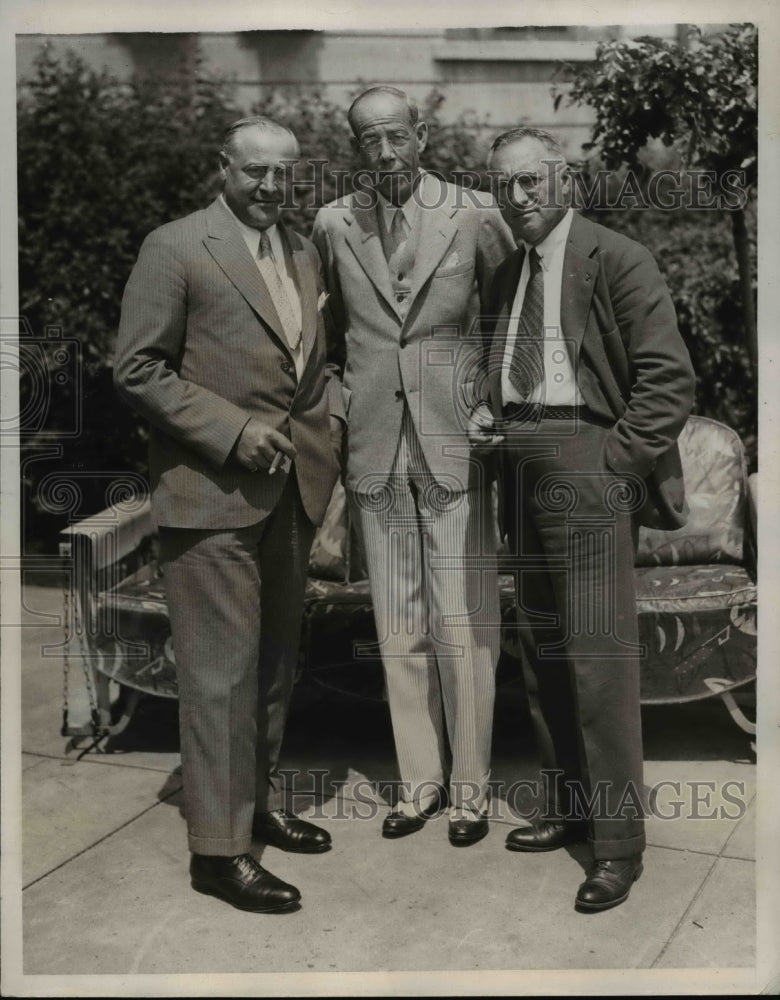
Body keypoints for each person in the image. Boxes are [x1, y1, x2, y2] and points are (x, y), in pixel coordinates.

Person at [114, 116, 344, 913]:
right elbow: (137, 368)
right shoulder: (175, 246)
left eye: (285, 173)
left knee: (274, 666)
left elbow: (311, 368)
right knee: (219, 677)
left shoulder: (301, 250)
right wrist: (233, 430)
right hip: (210, 497)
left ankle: (254, 805)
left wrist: (331, 434)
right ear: (224, 167)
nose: (272, 186)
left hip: (292, 494)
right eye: (255, 171)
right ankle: (217, 852)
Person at [470, 126, 695, 910]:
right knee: (543, 648)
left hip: (588, 465)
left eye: (530, 181)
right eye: (503, 185)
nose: (517, 198)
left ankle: (618, 846)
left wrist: (611, 466)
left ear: (564, 179)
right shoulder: (508, 272)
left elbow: (668, 382)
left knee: (600, 659)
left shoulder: (618, 257)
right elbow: (510, 368)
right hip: (520, 464)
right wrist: (491, 413)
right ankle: (568, 808)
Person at [312, 86, 514, 845]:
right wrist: (342, 412)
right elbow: (332, 337)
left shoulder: (474, 212)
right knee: (398, 625)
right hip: (376, 447)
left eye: (397, 135)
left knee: (462, 621)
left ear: (422, 135)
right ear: (355, 147)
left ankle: (471, 791)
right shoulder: (334, 223)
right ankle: (419, 783)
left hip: (454, 443)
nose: (386, 152)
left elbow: (506, 321)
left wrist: (492, 402)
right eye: (370, 139)